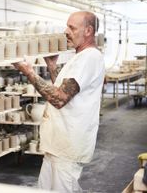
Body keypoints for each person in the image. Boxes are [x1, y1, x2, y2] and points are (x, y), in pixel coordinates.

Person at [13, 11, 105, 192]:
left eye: (72, 27)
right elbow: (64, 90)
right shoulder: (80, 57)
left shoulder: (89, 57)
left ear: (88, 31)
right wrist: (53, 67)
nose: (66, 31)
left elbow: (59, 98)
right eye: (67, 26)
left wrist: (29, 72)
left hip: (68, 146)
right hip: (58, 144)